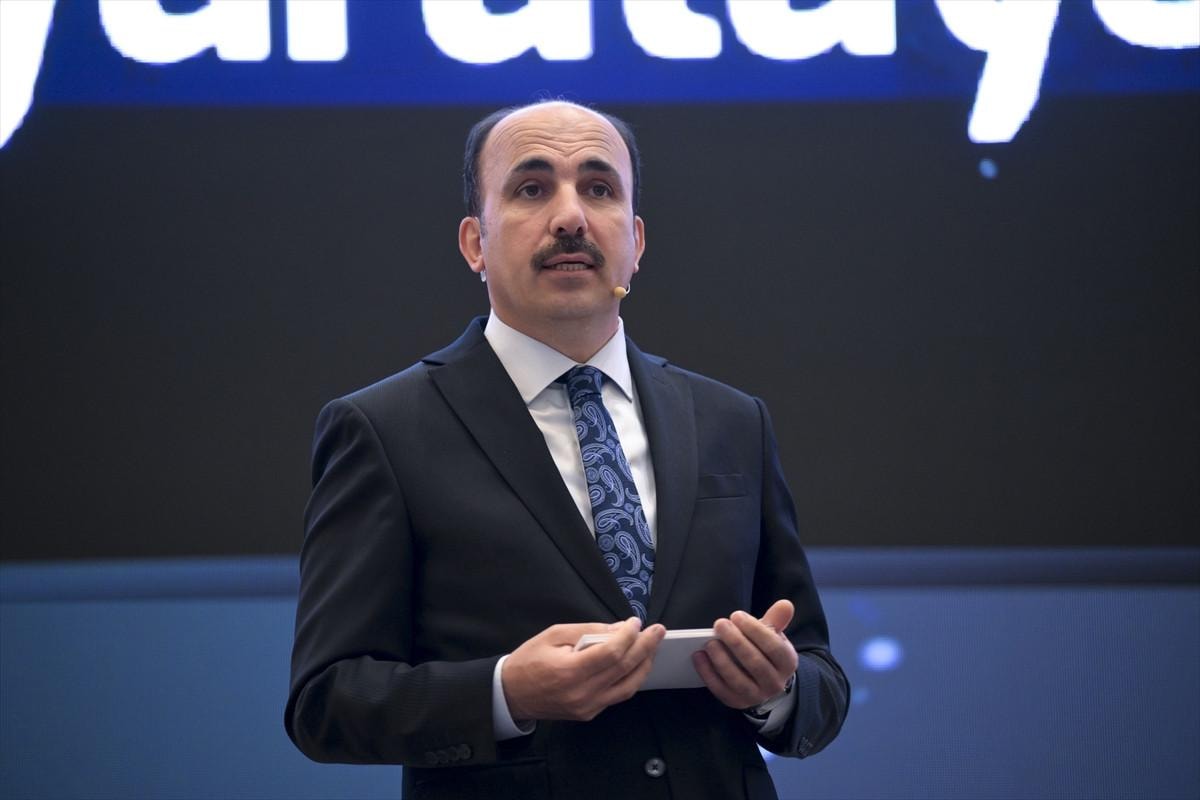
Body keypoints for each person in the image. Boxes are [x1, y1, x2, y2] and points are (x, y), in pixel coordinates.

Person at [285, 100, 849, 800]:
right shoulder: (382, 429)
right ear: (475, 243)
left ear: (635, 242)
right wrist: (506, 692)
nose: (571, 217)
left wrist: (778, 691)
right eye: (531, 189)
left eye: (599, 188)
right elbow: (326, 702)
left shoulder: (733, 420)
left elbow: (820, 678)